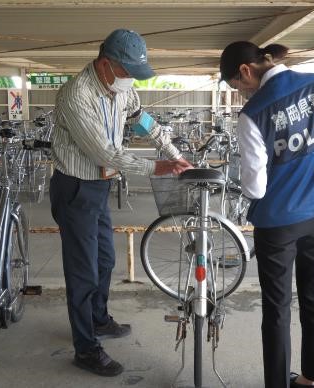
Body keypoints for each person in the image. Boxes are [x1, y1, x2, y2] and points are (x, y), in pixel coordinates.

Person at [50, 28, 192, 377]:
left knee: (105, 259)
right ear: (105, 64)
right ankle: (85, 348)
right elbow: (105, 152)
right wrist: (157, 167)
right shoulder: (76, 95)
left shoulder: (119, 90)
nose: (132, 81)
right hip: (76, 187)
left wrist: (175, 154)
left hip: (99, 187)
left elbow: (144, 120)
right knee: (82, 271)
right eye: (128, 72)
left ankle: (98, 320)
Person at [219, 41, 314, 388]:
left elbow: (256, 186)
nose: (240, 95)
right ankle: (312, 377)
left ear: (246, 72)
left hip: (280, 221)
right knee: (313, 296)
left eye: (237, 87)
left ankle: (278, 383)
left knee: (277, 307)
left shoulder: (254, 113)